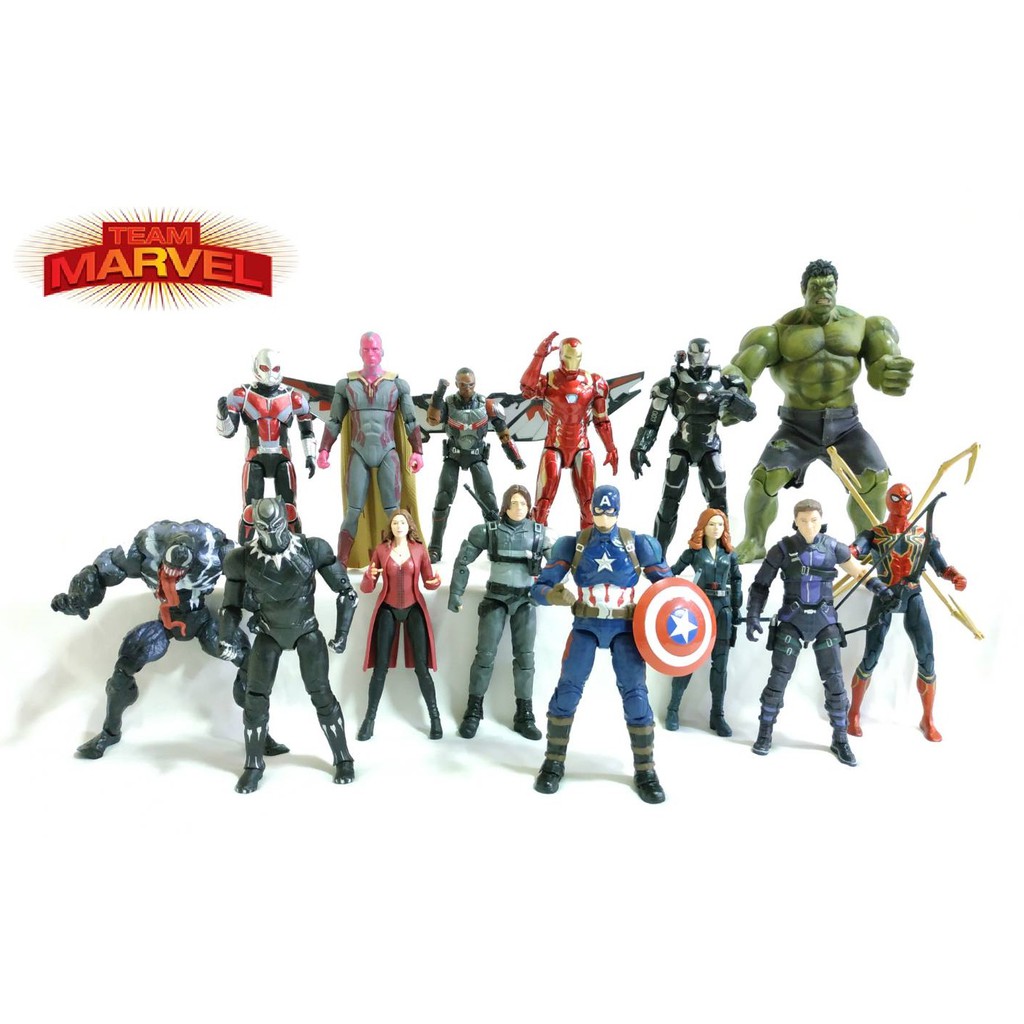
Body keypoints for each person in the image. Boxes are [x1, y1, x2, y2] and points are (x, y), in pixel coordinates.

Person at [724, 260, 914, 561]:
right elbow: (742, 373)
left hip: (846, 426)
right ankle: (754, 541)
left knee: (874, 480)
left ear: (837, 288)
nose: (823, 292)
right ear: (803, 290)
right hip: (797, 427)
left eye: (829, 286)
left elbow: (880, 369)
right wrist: (733, 393)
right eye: (815, 287)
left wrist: (890, 375)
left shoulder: (863, 326)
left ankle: (866, 544)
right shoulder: (778, 333)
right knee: (763, 482)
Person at [532, 485, 672, 803]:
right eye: (598, 510)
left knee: (636, 694)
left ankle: (646, 770)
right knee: (568, 690)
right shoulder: (573, 544)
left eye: (609, 511)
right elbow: (539, 587)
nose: (604, 517)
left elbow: (669, 587)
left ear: (618, 511)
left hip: (625, 627)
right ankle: (553, 763)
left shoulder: (638, 544)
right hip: (586, 625)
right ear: (590, 509)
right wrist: (552, 594)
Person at [218, 498, 357, 794]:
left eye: (276, 526)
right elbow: (230, 606)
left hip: (306, 630)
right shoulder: (241, 560)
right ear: (254, 527)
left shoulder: (312, 548)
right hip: (269, 631)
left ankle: (343, 758)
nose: (271, 534)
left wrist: (342, 633)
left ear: (287, 519)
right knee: (255, 698)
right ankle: (253, 765)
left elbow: (347, 592)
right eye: (264, 529)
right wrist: (226, 635)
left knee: (321, 694)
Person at [746, 498, 891, 766]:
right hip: (792, 620)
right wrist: (753, 614)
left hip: (825, 621)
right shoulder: (782, 549)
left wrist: (881, 589)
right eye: (803, 521)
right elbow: (760, 585)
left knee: (835, 682)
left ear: (821, 520)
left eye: (814, 520)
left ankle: (840, 739)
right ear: (795, 521)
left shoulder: (833, 547)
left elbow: (859, 571)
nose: (809, 525)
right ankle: (764, 733)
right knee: (778, 680)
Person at [847, 483, 967, 742]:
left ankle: (928, 719)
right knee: (870, 657)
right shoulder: (875, 534)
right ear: (887, 501)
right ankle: (853, 713)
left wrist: (956, 576)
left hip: (912, 596)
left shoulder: (923, 536)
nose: (902, 503)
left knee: (927, 658)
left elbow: (942, 567)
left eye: (906, 498)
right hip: (884, 595)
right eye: (896, 498)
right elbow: (853, 551)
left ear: (912, 502)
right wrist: (843, 552)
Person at [630, 340, 755, 555]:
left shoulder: (724, 381)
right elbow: (653, 421)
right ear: (687, 355)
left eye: (702, 353)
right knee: (669, 501)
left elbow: (750, 413)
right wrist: (640, 447)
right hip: (682, 446)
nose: (699, 358)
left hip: (710, 446)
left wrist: (731, 397)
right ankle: (657, 555)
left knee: (718, 504)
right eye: (694, 354)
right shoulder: (673, 382)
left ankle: (721, 555)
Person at [448, 484, 550, 739]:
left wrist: (553, 589)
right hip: (495, 599)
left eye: (523, 503)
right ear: (505, 505)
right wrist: (456, 593)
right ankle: (473, 711)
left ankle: (524, 714)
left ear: (530, 506)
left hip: (525, 601)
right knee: (484, 656)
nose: (519, 508)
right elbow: (462, 561)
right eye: (514, 503)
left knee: (525, 660)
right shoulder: (488, 531)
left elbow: (559, 565)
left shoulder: (539, 534)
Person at [316, 331, 424, 566]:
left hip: (388, 451)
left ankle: (400, 561)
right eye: (366, 349)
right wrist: (324, 449)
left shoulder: (397, 384)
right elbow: (334, 420)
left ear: (382, 351)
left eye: (375, 349)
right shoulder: (347, 385)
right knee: (353, 510)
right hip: (359, 451)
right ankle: (341, 564)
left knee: (394, 512)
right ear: (360, 352)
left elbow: (410, 420)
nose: (371, 353)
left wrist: (417, 450)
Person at [217, 348, 317, 542]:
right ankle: (244, 552)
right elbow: (228, 432)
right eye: (265, 368)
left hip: (282, 458)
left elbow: (306, 430)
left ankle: (298, 548)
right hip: (255, 458)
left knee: (290, 510)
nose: (270, 373)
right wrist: (222, 417)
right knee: (250, 513)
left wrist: (310, 456)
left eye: (275, 368)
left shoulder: (294, 398)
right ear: (256, 366)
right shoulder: (242, 395)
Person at [425, 368, 525, 562]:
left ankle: (496, 546)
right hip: (453, 456)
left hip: (477, 457)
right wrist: (439, 394)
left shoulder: (487, 405)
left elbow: (503, 433)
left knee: (489, 501)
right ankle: (435, 547)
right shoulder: (448, 403)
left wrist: (515, 458)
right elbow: (432, 420)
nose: (467, 389)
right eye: (463, 385)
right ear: (456, 384)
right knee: (443, 499)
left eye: (471, 385)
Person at [519, 331, 618, 528]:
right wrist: (539, 356)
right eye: (569, 357)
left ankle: (588, 543)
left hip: (581, 446)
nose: (573, 362)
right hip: (554, 446)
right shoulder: (549, 380)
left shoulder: (594, 382)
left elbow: (601, 420)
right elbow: (527, 389)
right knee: (542, 506)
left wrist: (610, 448)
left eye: (577, 357)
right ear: (561, 356)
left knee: (589, 506)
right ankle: (537, 542)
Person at [359, 509, 443, 740]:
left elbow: (428, 582)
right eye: (395, 523)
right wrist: (369, 576)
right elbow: (367, 588)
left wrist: (435, 582)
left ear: (409, 526)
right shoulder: (381, 550)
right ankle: (369, 719)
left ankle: (435, 718)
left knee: (422, 668)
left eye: (402, 522)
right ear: (391, 527)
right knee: (380, 667)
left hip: (414, 607)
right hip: (387, 608)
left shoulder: (419, 549)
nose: (398, 526)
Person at [667, 508, 743, 736]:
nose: (716, 528)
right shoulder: (694, 553)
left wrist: (737, 609)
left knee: (720, 665)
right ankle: (673, 709)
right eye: (712, 524)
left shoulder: (729, 555)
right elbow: (671, 573)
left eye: (720, 524)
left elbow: (737, 581)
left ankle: (717, 715)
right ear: (703, 526)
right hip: (698, 610)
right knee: (688, 660)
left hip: (723, 611)